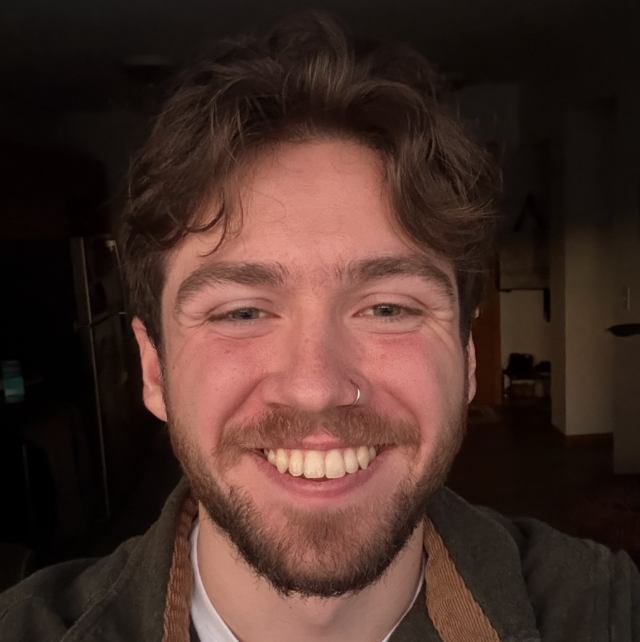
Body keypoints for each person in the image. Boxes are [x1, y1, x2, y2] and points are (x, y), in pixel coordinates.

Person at [1, 12, 638, 642]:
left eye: (388, 308)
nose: (315, 389)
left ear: (467, 356)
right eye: (242, 312)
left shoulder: (605, 611)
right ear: (153, 370)